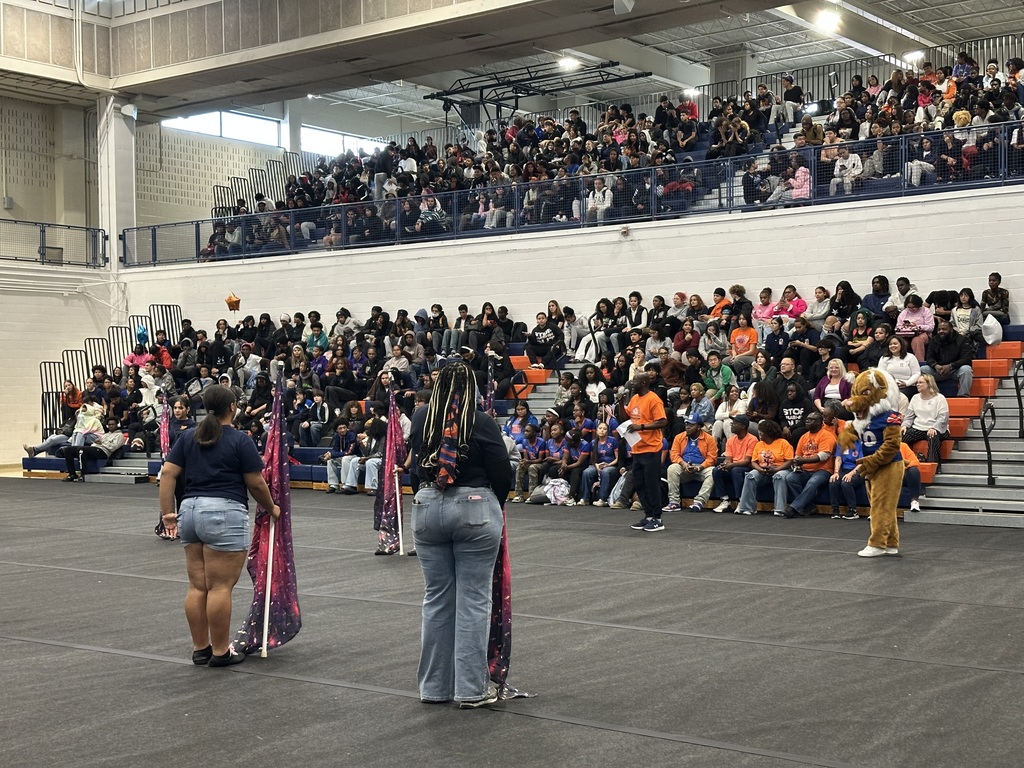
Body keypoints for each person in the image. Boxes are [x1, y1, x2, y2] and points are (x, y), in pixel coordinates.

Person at [409, 361, 511, 708]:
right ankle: (470, 689)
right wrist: (496, 503)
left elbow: (413, 466)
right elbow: (502, 472)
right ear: (472, 387)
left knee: (436, 599)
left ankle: (434, 688)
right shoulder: (481, 421)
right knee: (473, 600)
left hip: (427, 505)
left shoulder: (422, 417)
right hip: (473, 505)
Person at [159, 385, 280, 667]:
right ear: (232, 408)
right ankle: (221, 651)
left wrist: (167, 513)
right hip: (224, 513)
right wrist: (271, 507)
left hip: (189, 511)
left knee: (197, 586)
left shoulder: (188, 437)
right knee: (220, 587)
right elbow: (255, 482)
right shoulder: (240, 440)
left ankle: (201, 648)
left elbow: (167, 473)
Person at [618, 372, 669, 532]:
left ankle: (657, 518)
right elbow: (624, 418)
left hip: (651, 448)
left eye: (636, 381)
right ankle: (648, 515)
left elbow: (663, 421)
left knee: (651, 483)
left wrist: (642, 427)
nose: (632, 383)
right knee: (639, 483)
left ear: (645, 382)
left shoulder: (653, 399)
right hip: (637, 448)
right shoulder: (634, 399)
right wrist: (621, 403)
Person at [782, 411, 838, 517]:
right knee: (790, 478)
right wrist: (797, 464)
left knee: (813, 482)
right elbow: (798, 455)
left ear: (819, 422)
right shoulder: (803, 437)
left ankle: (794, 508)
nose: (807, 421)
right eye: (807, 419)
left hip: (823, 470)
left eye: (811, 419)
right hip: (805, 469)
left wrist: (803, 461)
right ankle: (809, 506)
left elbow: (823, 456)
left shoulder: (827, 436)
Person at [735, 418, 794, 516]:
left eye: (761, 433)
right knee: (750, 476)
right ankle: (747, 507)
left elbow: (789, 461)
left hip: (781, 469)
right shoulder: (759, 444)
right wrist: (760, 469)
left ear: (769, 433)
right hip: (763, 470)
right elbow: (753, 462)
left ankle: (779, 509)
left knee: (779, 476)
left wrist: (776, 469)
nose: (760, 435)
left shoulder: (783, 443)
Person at [663, 413, 718, 513]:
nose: (688, 427)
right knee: (672, 468)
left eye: (691, 425)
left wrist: (700, 467)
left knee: (713, 471)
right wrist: (683, 464)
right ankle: (674, 502)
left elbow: (712, 458)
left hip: (701, 469)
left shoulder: (709, 439)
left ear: (698, 427)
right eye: (686, 424)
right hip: (685, 467)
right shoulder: (679, 437)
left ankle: (699, 502)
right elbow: (674, 454)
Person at [711, 414, 757, 512]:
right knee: (717, 470)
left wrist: (731, 465)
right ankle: (724, 500)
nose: (732, 425)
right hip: (734, 465)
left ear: (743, 426)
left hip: (747, 467)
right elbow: (728, 458)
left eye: (735, 423)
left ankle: (741, 501)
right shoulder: (731, 440)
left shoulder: (752, 439)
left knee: (736, 470)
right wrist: (726, 464)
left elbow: (747, 461)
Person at [901, 373, 949, 463]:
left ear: (929, 384)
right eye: (917, 383)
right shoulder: (915, 398)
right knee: (902, 435)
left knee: (932, 435)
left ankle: (933, 464)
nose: (917, 384)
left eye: (920, 382)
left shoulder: (940, 398)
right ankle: (905, 462)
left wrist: (934, 427)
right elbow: (909, 417)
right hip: (918, 427)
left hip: (936, 428)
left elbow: (943, 418)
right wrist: (905, 426)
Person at [62, 417, 126, 482]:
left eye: (113, 424)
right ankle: (72, 474)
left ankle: (83, 474)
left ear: (117, 425)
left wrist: (102, 443)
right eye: (109, 425)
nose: (111, 426)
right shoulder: (105, 435)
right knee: (68, 449)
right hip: (95, 448)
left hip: (104, 452)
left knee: (81, 450)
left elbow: (113, 447)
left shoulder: (119, 435)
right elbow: (95, 443)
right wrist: (96, 442)